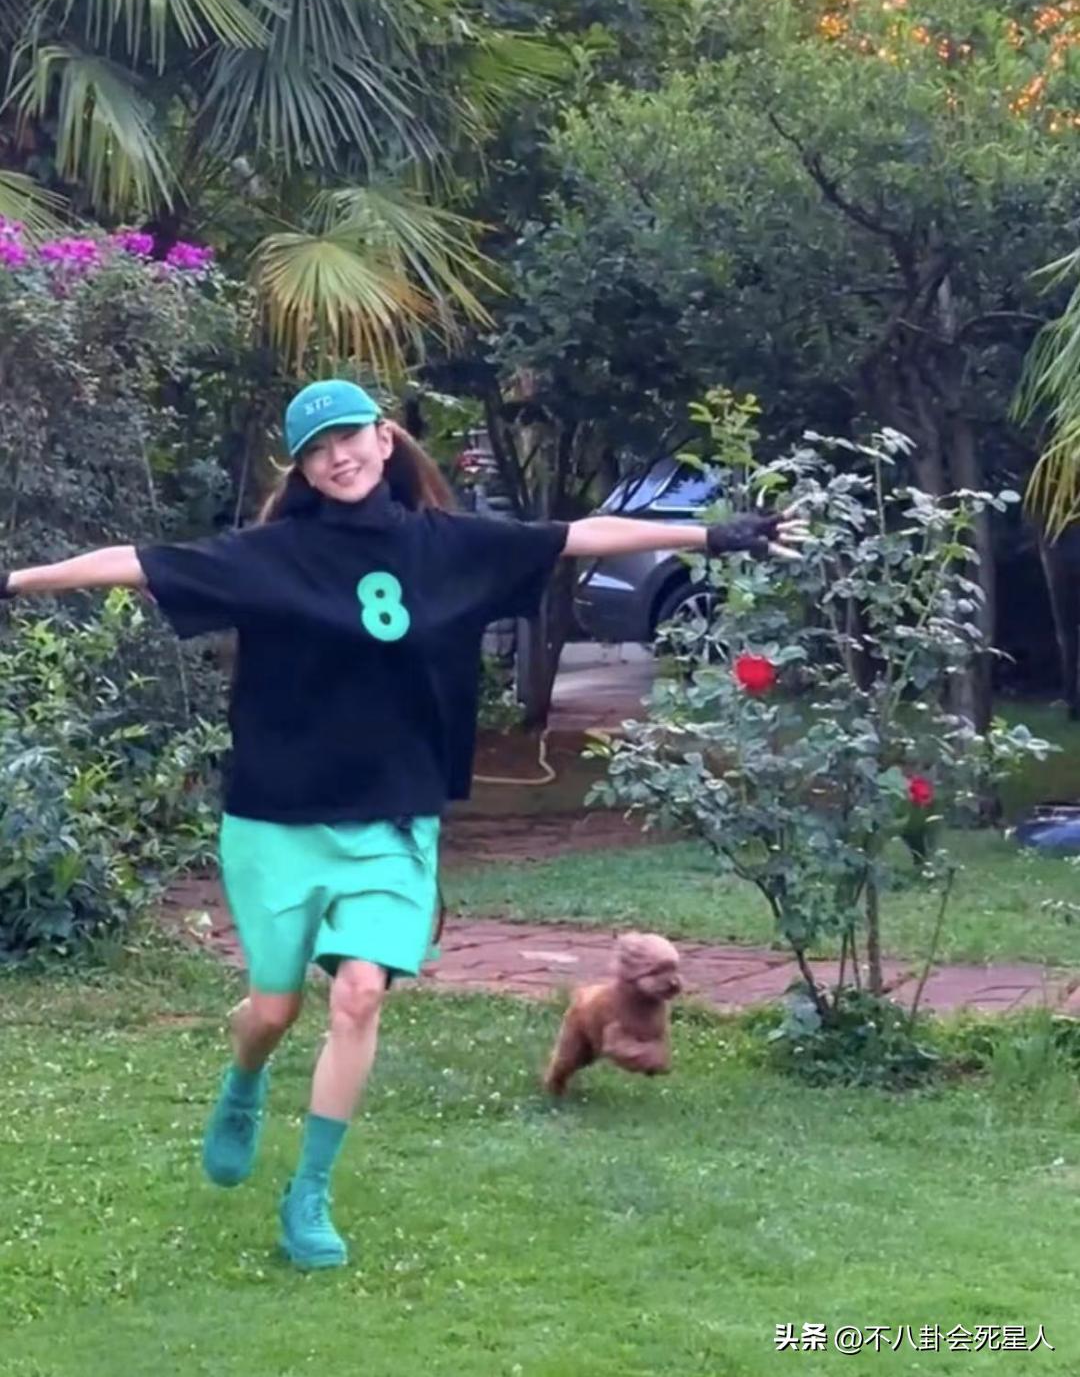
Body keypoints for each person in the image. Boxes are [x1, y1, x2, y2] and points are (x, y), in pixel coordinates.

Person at [0, 379, 807, 1270]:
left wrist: (713, 535)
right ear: (303, 468)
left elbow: (579, 535)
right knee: (272, 1009)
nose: (337, 458)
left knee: (359, 993)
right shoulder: (270, 555)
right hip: (277, 820)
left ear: (383, 440)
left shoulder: (451, 546)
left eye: (349, 438)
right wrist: (14, 582)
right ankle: (244, 1078)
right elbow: (137, 562)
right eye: (316, 450)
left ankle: (309, 1194)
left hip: (392, 817)